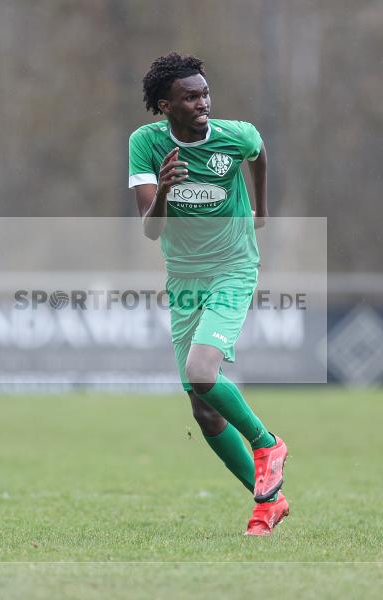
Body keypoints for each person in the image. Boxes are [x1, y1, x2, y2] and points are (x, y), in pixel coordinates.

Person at [128, 52, 288, 536]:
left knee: (202, 372)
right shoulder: (146, 144)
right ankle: (269, 504)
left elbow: (259, 153)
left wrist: (260, 209)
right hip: (183, 277)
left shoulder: (234, 135)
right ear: (164, 105)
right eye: (191, 97)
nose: (203, 103)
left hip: (233, 266)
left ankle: (267, 444)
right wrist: (164, 193)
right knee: (202, 406)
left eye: (205, 93)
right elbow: (151, 231)